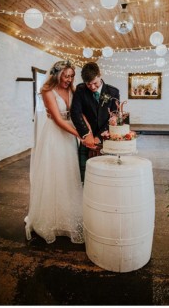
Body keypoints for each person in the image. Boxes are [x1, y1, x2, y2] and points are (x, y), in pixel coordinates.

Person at [25, 61, 85, 244]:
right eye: (66, 76)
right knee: (54, 174)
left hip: (68, 137)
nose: (69, 79)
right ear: (56, 75)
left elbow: (78, 114)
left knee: (68, 174)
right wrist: (80, 135)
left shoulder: (73, 91)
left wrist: (86, 131)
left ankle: (67, 215)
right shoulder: (47, 91)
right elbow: (58, 120)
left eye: (71, 76)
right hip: (54, 136)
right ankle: (50, 219)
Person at [70, 62, 120, 181]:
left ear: (100, 75)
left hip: (106, 138)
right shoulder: (80, 89)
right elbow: (75, 113)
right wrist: (87, 135)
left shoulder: (113, 92)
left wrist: (98, 137)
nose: (92, 87)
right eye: (89, 84)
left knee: (106, 174)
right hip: (86, 139)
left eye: (95, 83)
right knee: (85, 176)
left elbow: (114, 115)